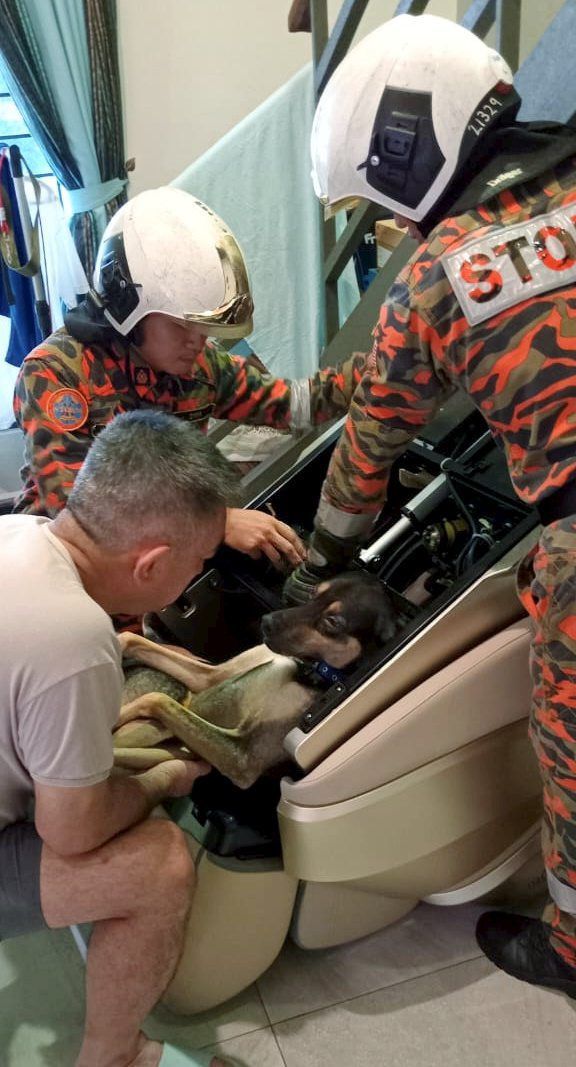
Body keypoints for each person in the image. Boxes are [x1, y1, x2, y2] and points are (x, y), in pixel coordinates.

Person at [284, 13, 576, 999]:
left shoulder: (435, 275)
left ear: (405, 150)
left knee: (569, 736)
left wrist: (324, 559)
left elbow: (371, 447)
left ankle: (573, 947)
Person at [0, 408, 245, 1067]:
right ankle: (114, 1057)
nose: (192, 576)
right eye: (196, 562)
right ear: (152, 563)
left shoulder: (19, 534)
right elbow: (72, 832)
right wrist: (164, 778)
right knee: (159, 866)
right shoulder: (72, 634)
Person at [13, 185, 368, 571]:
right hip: (66, 567)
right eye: (183, 325)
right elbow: (81, 514)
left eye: (204, 327)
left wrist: (383, 362)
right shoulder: (56, 373)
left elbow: (295, 404)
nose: (198, 341)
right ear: (129, 309)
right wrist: (216, 523)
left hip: (157, 564)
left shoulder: (201, 365)